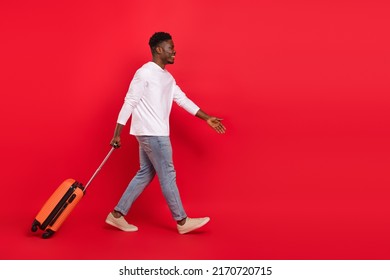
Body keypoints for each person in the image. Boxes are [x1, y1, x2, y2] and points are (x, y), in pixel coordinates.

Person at [105, 32, 226, 234]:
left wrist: (207, 118)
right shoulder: (144, 73)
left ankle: (117, 215)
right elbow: (130, 101)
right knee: (168, 175)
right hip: (154, 134)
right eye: (171, 48)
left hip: (150, 133)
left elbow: (182, 99)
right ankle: (182, 221)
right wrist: (117, 132)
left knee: (145, 173)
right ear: (159, 49)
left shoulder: (167, 78)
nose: (174, 51)